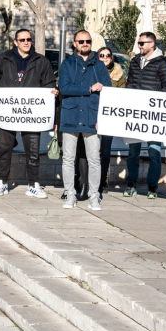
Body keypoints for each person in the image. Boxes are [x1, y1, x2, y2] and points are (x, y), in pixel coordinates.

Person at [0, 29, 58, 197]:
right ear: (15, 42)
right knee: (4, 149)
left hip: (32, 115)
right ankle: (2, 182)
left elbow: (49, 83)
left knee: (33, 151)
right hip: (7, 112)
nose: (26, 42)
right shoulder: (3, 59)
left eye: (29, 39)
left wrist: (52, 91)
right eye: (22, 39)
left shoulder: (41, 61)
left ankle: (33, 184)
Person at [58, 31, 111, 211]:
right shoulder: (67, 64)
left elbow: (108, 91)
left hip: (92, 117)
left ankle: (94, 196)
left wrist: (103, 118)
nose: (85, 44)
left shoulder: (99, 65)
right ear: (74, 43)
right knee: (68, 159)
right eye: (81, 41)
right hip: (71, 117)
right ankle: (70, 194)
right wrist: (89, 88)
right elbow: (64, 88)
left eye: (88, 41)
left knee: (94, 159)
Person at [124, 32, 166, 198]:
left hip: (153, 115)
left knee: (154, 152)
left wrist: (152, 101)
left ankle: (152, 186)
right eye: (138, 43)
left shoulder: (162, 63)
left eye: (142, 43)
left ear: (152, 44)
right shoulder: (135, 61)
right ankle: (131, 184)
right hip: (135, 114)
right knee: (133, 152)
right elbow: (130, 84)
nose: (139, 46)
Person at [93, 47, 126, 198]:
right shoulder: (91, 71)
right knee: (90, 150)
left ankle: (102, 180)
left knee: (105, 151)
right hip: (92, 114)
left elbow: (123, 95)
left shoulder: (119, 75)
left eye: (108, 55)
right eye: (102, 55)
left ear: (112, 57)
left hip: (109, 116)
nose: (105, 57)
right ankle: (90, 179)